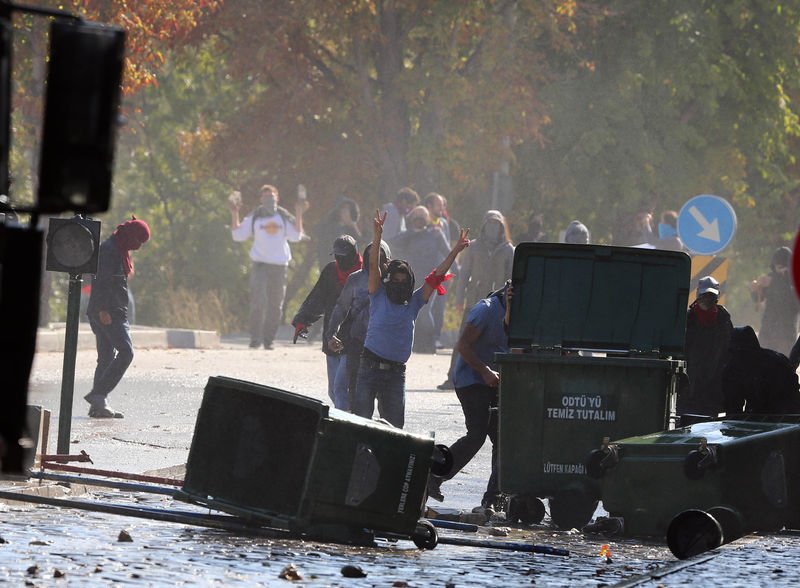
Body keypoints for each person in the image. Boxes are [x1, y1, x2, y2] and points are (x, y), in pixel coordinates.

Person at [352, 210, 469, 427]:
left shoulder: (414, 302)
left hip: (396, 374)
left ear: (410, 283)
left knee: (395, 429)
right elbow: (373, 266)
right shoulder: (377, 294)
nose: (399, 284)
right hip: (369, 367)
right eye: (395, 280)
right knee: (359, 424)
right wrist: (377, 235)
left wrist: (455, 250)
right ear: (387, 280)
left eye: (403, 281)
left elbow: (437, 276)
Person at [427, 281, 512, 511]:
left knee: (503, 440)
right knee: (476, 435)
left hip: (497, 382)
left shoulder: (521, 317)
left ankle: (494, 498)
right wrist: (485, 371)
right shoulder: (485, 310)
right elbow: (463, 346)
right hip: (471, 380)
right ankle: (433, 476)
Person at [83, 217, 151, 419]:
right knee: (126, 352)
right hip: (108, 312)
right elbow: (101, 282)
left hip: (110, 310)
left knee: (105, 357)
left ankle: (98, 407)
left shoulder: (118, 248)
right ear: (131, 236)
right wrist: (103, 310)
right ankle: (98, 395)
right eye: (139, 241)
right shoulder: (110, 251)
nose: (138, 246)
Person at [439, 210, 514, 390]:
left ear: (501, 227)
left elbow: (512, 277)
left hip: (498, 304)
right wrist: (459, 299)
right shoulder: (473, 247)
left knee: (498, 341)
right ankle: (452, 378)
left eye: (496, 224)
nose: (492, 227)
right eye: (490, 223)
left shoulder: (508, 250)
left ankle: (498, 378)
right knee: (463, 340)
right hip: (474, 302)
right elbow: (464, 274)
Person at [229, 184, 305, 349]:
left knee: (276, 306)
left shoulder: (283, 217)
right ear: (261, 199)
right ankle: (255, 339)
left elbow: (296, 236)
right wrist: (234, 213)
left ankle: (268, 340)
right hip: (260, 265)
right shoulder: (255, 217)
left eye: (271, 196)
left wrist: (299, 213)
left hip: (279, 266)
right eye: (265, 196)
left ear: (277, 198)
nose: (269, 199)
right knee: (258, 302)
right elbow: (238, 235)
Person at [291, 235, 362, 409]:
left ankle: (347, 422)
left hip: (355, 338)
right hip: (332, 336)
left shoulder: (366, 273)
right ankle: (350, 415)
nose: (340, 259)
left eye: (344, 255)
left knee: (341, 389)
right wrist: (302, 320)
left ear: (354, 253)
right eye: (337, 255)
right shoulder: (330, 271)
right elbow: (317, 298)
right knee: (334, 392)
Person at [326, 240, 391, 410]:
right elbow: (341, 307)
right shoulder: (355, 279)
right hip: (355, 341)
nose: (373, 260)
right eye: (370, 256)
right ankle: (343, 421)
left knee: (381, 394)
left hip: (382, 346)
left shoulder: (393, 281)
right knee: (341, 387)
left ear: (387, 259)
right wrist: (331, 333)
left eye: (378, 256)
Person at [390, 205, 452, 354]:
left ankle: (429, 343)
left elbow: (449, 254)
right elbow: (392, 243)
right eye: (416, 217)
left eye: (422, 217)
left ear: (427, 219)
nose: (419, 220)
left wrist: (456, 272)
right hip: (411, 279)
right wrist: (411, 233)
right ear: (412, 219)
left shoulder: (435, 234)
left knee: (425, 310)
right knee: (411, 310)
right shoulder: (407, 235)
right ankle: (415, 343)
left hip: (430, 279)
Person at [677, 276, 733, 418]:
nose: (707, 300)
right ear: (698, 296)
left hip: (713, 387)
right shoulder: (687, 319)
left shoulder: (723, 319)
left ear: (716, 298)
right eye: (704, 295)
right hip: (689, 386)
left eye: (711, 296)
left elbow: (729, 350)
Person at [722, 325, 800, 414]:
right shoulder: (731, 370)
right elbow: (733, 407)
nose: (740, 356)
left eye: (743, 352)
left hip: (786, 410)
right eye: (735, 352)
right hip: (759, 412)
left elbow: (790, 397)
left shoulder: (775, 364)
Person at [750, 246, 799, 356]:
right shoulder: (771, 277)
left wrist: (774, 283)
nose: (781, 270)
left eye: (784, 267)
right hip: (768, 330)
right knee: (764, 361)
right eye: (778, 267)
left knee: (784, 362)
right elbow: (759, 300)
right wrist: (755, 290)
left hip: (786, 333)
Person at [314, 196, 361, 269]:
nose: (345, 212)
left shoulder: (351, 228)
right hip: (331, 266)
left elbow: (361, 245)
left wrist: (352, 225)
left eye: (348, 209)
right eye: (343, 208)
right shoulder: (330, 226)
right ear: (338, 211)